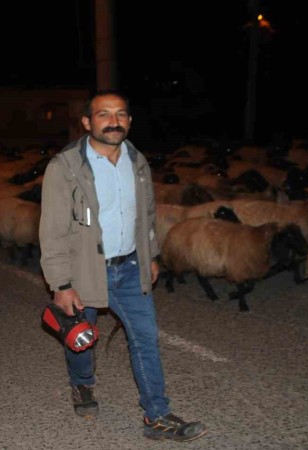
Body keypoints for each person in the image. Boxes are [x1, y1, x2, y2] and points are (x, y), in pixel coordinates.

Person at [38, 89, 208, 442]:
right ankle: (82, 385)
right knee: (80, 338)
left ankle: (156, 416)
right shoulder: (65, 167)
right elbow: (52, 229)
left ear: (129, 121)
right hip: (83, 268)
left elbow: (145, 214)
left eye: (121, 114)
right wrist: (61, 283)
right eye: (103, 114)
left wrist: (151, 254)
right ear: (87, 122)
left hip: (130, 267)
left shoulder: (137, 160)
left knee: (145, 339)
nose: (113, 121)